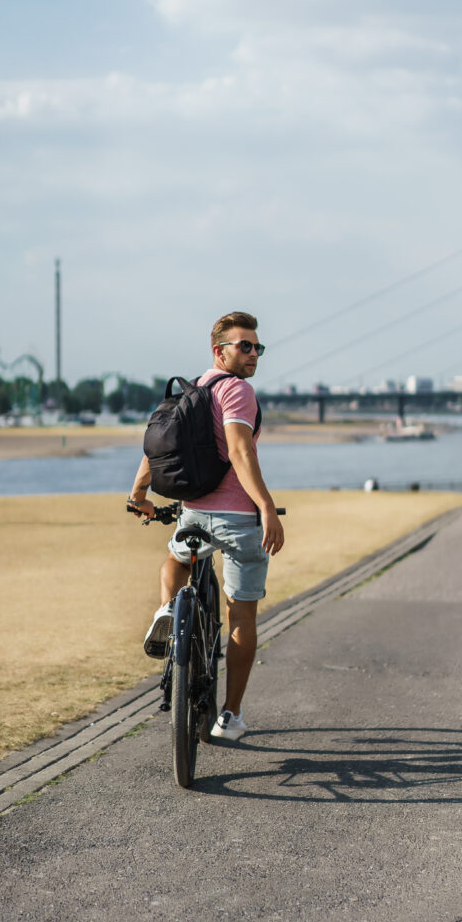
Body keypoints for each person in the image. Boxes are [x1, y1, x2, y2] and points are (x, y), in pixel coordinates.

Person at [128, 311, 284, 740]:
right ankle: (229, 717)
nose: (254, 353)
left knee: (174, 564)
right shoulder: (239, 392)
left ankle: (167, 611)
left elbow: (158, 451)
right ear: (220, 350)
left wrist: (138, 497)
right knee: (241, 615)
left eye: (257, 346)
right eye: (244, 346)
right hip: (236, 519)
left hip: (193, 513)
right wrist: (266, 507)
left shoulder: (192, 390)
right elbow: (239, 450)